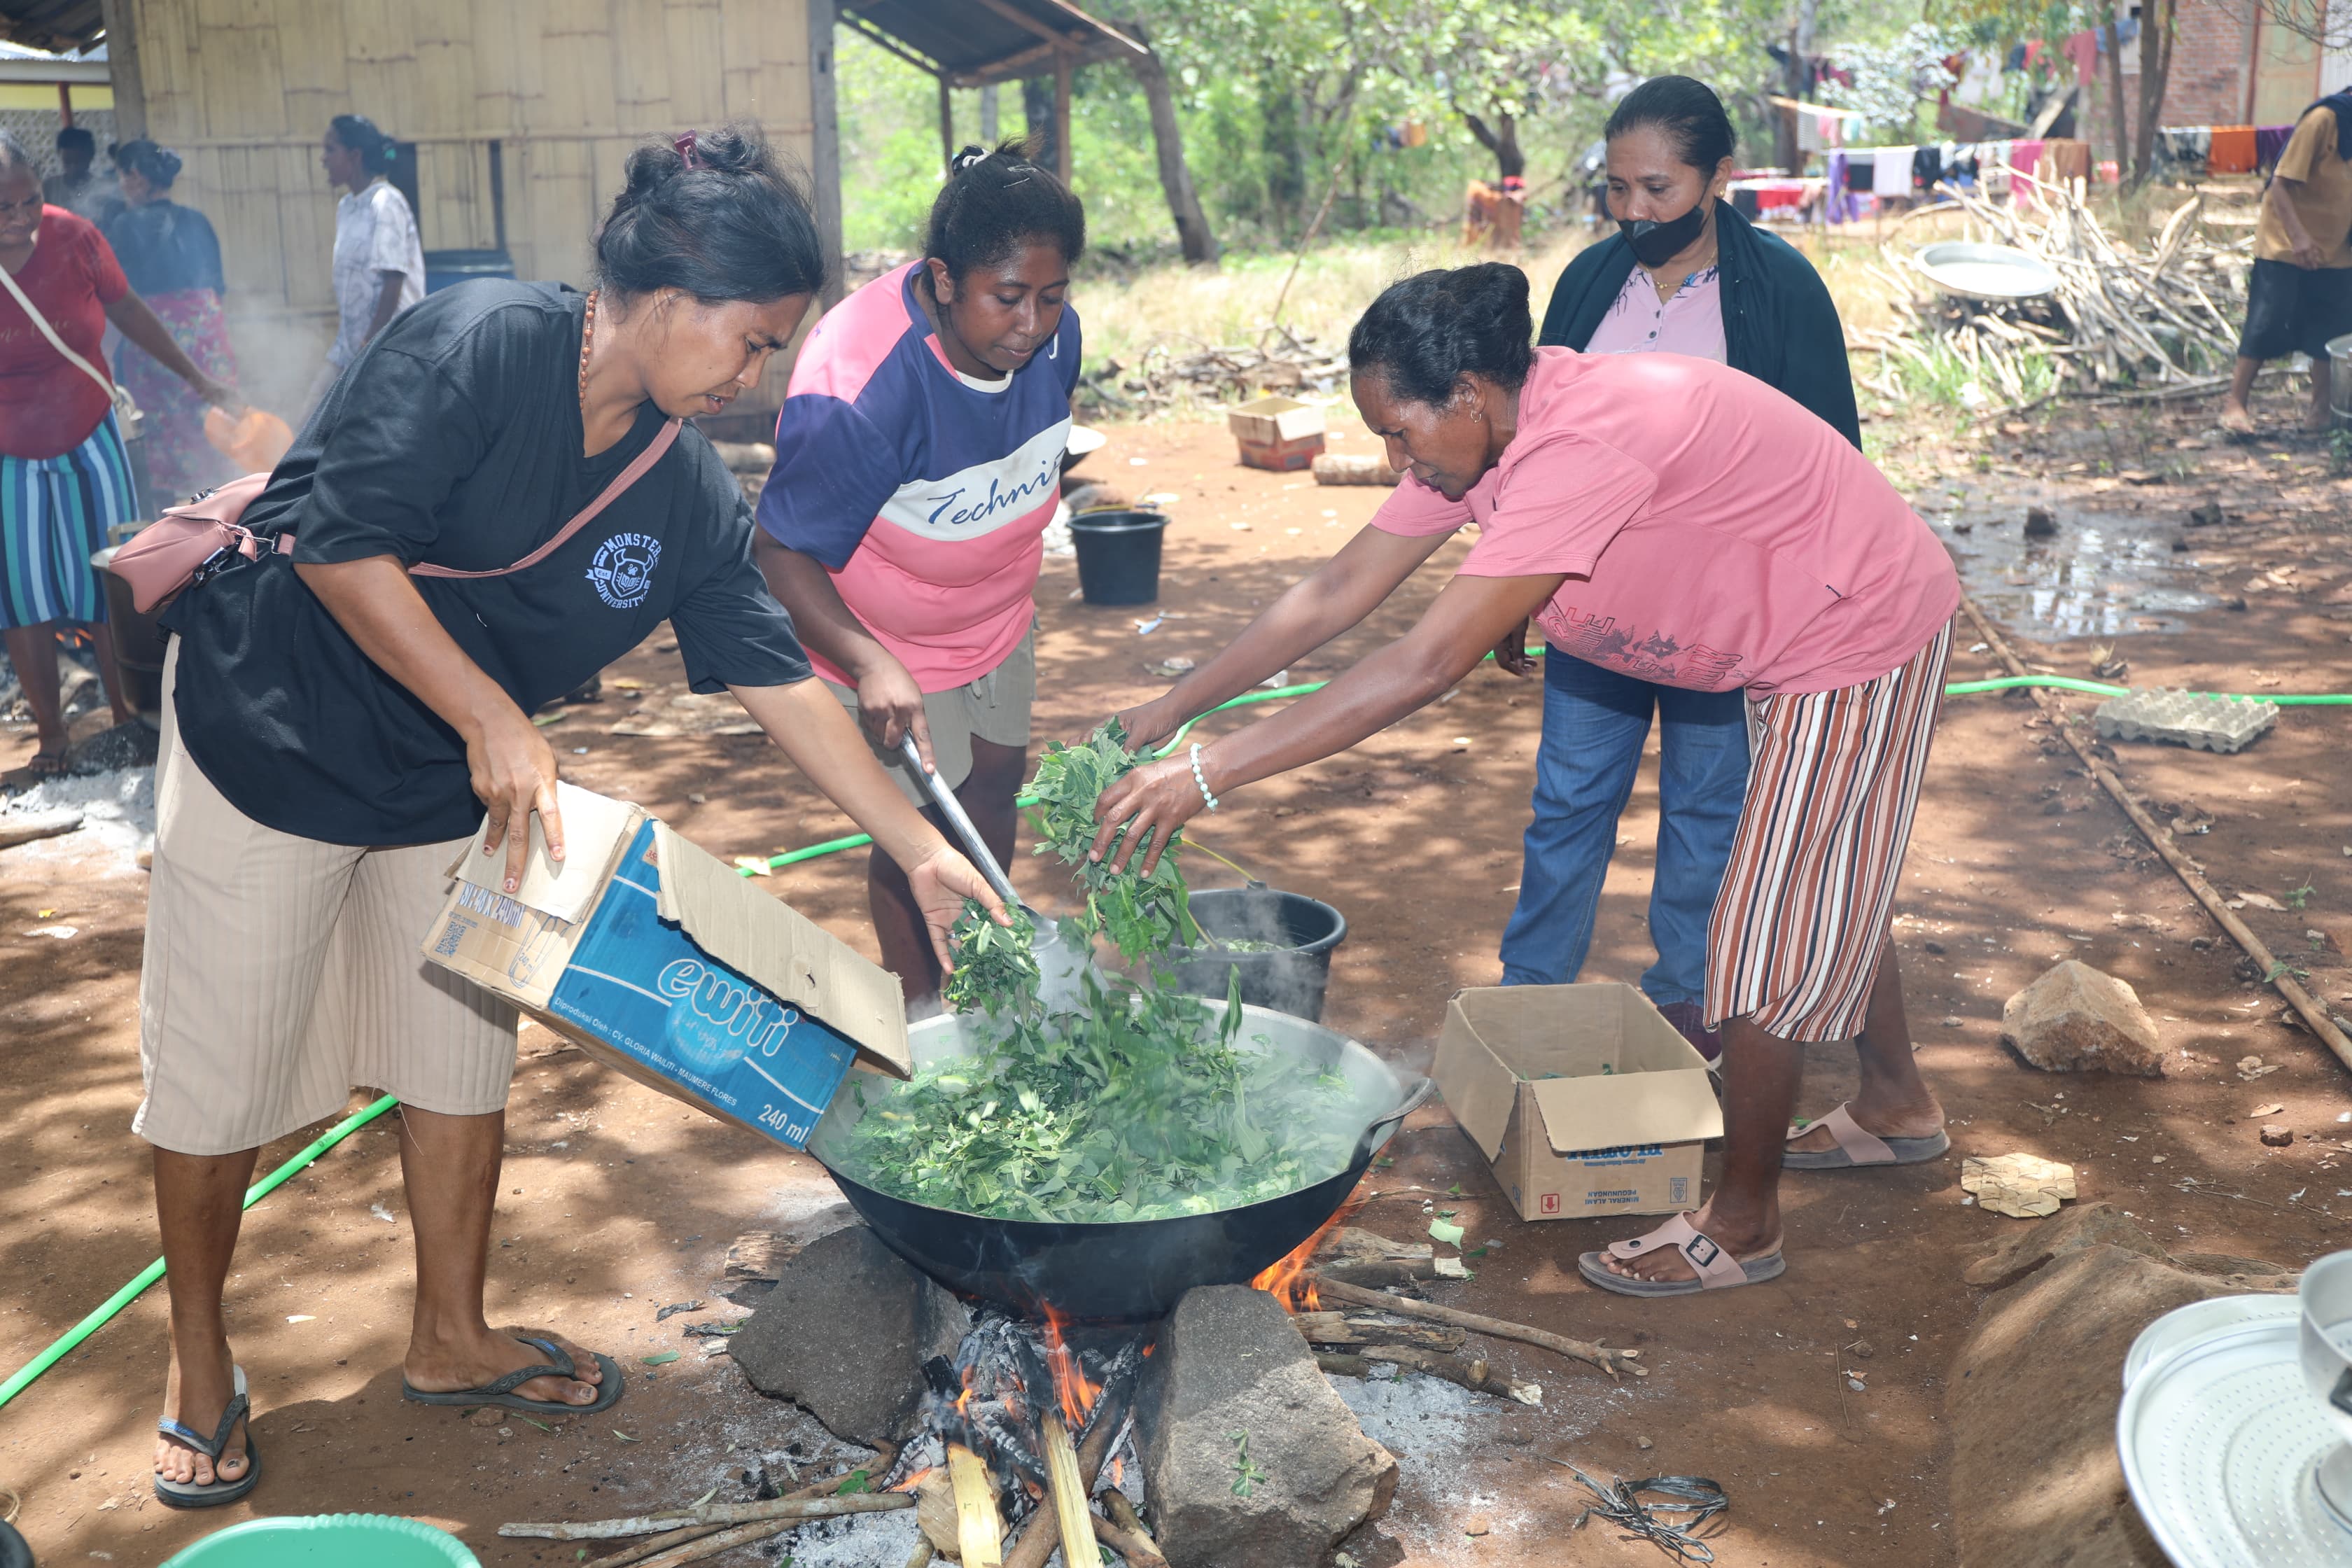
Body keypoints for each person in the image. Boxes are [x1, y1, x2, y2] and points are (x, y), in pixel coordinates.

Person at [140, 124, 1007, 1508]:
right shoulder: (474, 348)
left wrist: (914, 843)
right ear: (667, 301)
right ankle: (197, 1363)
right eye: (751, 341)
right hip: (276, 732)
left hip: (450, 777)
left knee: (457, 1056)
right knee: (223, 1069)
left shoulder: (677, 484)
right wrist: (493, 713)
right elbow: (340, 545)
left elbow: (781, 679)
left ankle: (449, 1333)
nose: (755, 377)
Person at [1096, 265, 1958, 1298]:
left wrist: (1208, 772)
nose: (1393, 457)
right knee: (1820, 871)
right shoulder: (1479, 437)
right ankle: (1898, 1102)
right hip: (1790, 618)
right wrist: (1175, 705)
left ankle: (1743, 1220)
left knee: (1764, 923)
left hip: (1853, 627)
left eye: (1401, 432)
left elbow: (1423, 663)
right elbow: (1335, 591)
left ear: (1467, 392)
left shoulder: (1577, 444)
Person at [1498, 76, 1862, 1061]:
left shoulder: (1780, 289)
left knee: (1708, 812)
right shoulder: (1586, 282)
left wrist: (1807, 614)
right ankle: (1528, 1005)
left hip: (1724, 617)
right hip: (1594, 601)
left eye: (1658, 189)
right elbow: (1533, 445)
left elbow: (1831, 462)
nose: (1634, 213)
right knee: (1570, 801)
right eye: (1617, 189)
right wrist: (1509, 593)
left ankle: (1684, 1012)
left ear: (1720, 178)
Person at [755, 139, 1084, 1009]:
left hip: (997, 616)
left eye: (1053, 297)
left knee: (995, 785)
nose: (1033, 324)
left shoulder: (1054, 343)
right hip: (887, 640)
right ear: (942, 280)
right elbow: (781, 551)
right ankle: (926, 1015)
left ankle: (986, 979)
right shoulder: (861, 387)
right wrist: (867, 662)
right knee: (924, 827)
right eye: (1007, 298)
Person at [0, 131, 239, 776]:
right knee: (24, 598)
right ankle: (52, 739)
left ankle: (130, 722)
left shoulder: (75, 237)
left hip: (90, 435)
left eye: (31, 201)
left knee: (109, 586)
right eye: (5, 209)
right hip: (9, 454)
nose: (21, 220)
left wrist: (198, 378)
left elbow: (127, 309)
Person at [103, 140, 239, 500]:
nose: (119, 183)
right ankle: (228, 515)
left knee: (164, 442)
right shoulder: (198, 221)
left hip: (157, 345)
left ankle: (175, 531)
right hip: (208, 340)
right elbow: (217, 294)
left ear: (136, 176)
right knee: (212, 431)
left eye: (122, 174)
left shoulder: (123, 226)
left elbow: (119, 305)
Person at [2221, 85, 2352, 434]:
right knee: (2268, 321)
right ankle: (2236, 404)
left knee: (2333, 330)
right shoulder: (2324, 120)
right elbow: (2279, 184)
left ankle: (2319, 413)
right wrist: (2299, 238)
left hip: (2337, 246)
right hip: (2287, 240)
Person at [308, 112, 424, 412]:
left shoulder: (385, 202)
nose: (323, 159)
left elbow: (393, 280)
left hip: (387, 347)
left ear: (354, 155)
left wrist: (368, 347)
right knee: (310, 416)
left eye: (330, 150)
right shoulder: (347, 207)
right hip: (350, 349)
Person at [42, 125, 116, 218]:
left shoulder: (104, 190)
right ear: (60, 157)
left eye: (79, 161)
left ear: (90, 157)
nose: (73, 167)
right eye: (67, 161)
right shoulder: (49, 188)